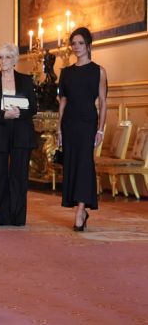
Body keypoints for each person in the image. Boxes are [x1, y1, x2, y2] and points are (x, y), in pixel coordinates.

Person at [0, 43, 37, 226]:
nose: (3, 61)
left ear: (14, 59)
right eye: (0, 57)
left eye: (7, 57)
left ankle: (17, 217)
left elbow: (34, 108)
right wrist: (3, 114)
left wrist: (21, 113)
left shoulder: (26, 81)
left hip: (21, 133)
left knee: (19, 176)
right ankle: (1, 217)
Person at [58, 27, 107, 232]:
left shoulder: (99, 71)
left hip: (88, 123)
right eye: (73, 44)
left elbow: (103, 102)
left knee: (85, 164)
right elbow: (62, 102)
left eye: (79, 43)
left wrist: (101, 130)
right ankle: (79, 209)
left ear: (88, 45)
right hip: (69, 124)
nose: (76, 47)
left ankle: (80, 210)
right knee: (72, 165)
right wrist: (59, 130)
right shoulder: (66, 72)